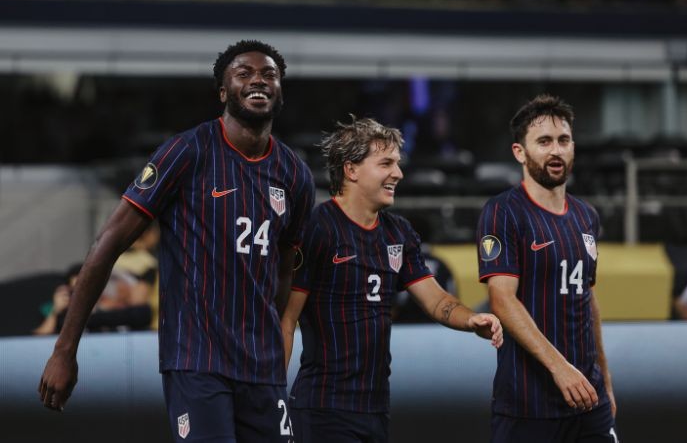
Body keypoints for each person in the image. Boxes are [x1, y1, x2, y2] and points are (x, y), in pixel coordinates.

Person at [38, 40, 315, 443]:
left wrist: (278, 345)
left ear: (280, 90)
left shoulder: (295, 174)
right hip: (197, 362)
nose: (258, 80)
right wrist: (65, 350)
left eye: (269, 74)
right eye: (244, 73)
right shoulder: (187, 152)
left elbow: (286, 270)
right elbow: (107, 245)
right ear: (223, 92)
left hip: (263, 369)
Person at [281, 116, 503, 443]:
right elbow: (287, 319)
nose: (398, 173)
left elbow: (437, 300)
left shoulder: (399, 233)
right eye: (386, 163)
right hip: (322, 408)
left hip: (375, 408)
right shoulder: (317, 228)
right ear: (351, 169)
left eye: (397, 163)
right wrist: (273, 394)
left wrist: (471, 319)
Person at [476, 94, 618, 442]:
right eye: (544, 142)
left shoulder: (586, 216)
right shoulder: (502, 212)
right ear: (519, 152)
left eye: (563, 140)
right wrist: (560, 368)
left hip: (588, 401)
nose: (556, 150)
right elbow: (502, 300)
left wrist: (605, 382)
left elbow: (588, 300)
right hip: (528, 406)